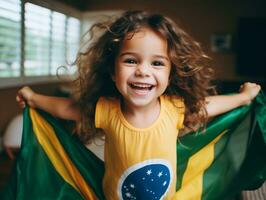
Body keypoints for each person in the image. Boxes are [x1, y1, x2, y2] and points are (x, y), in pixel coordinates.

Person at [16, 10, 261, 200]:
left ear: (170, 74)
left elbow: (207, 105)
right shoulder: (107, 110)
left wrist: (243, 97)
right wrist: (33, 98)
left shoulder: (174, 108)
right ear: (113, 71)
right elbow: (68, 108)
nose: (143, 71)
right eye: (131, 60)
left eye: (157, 63)